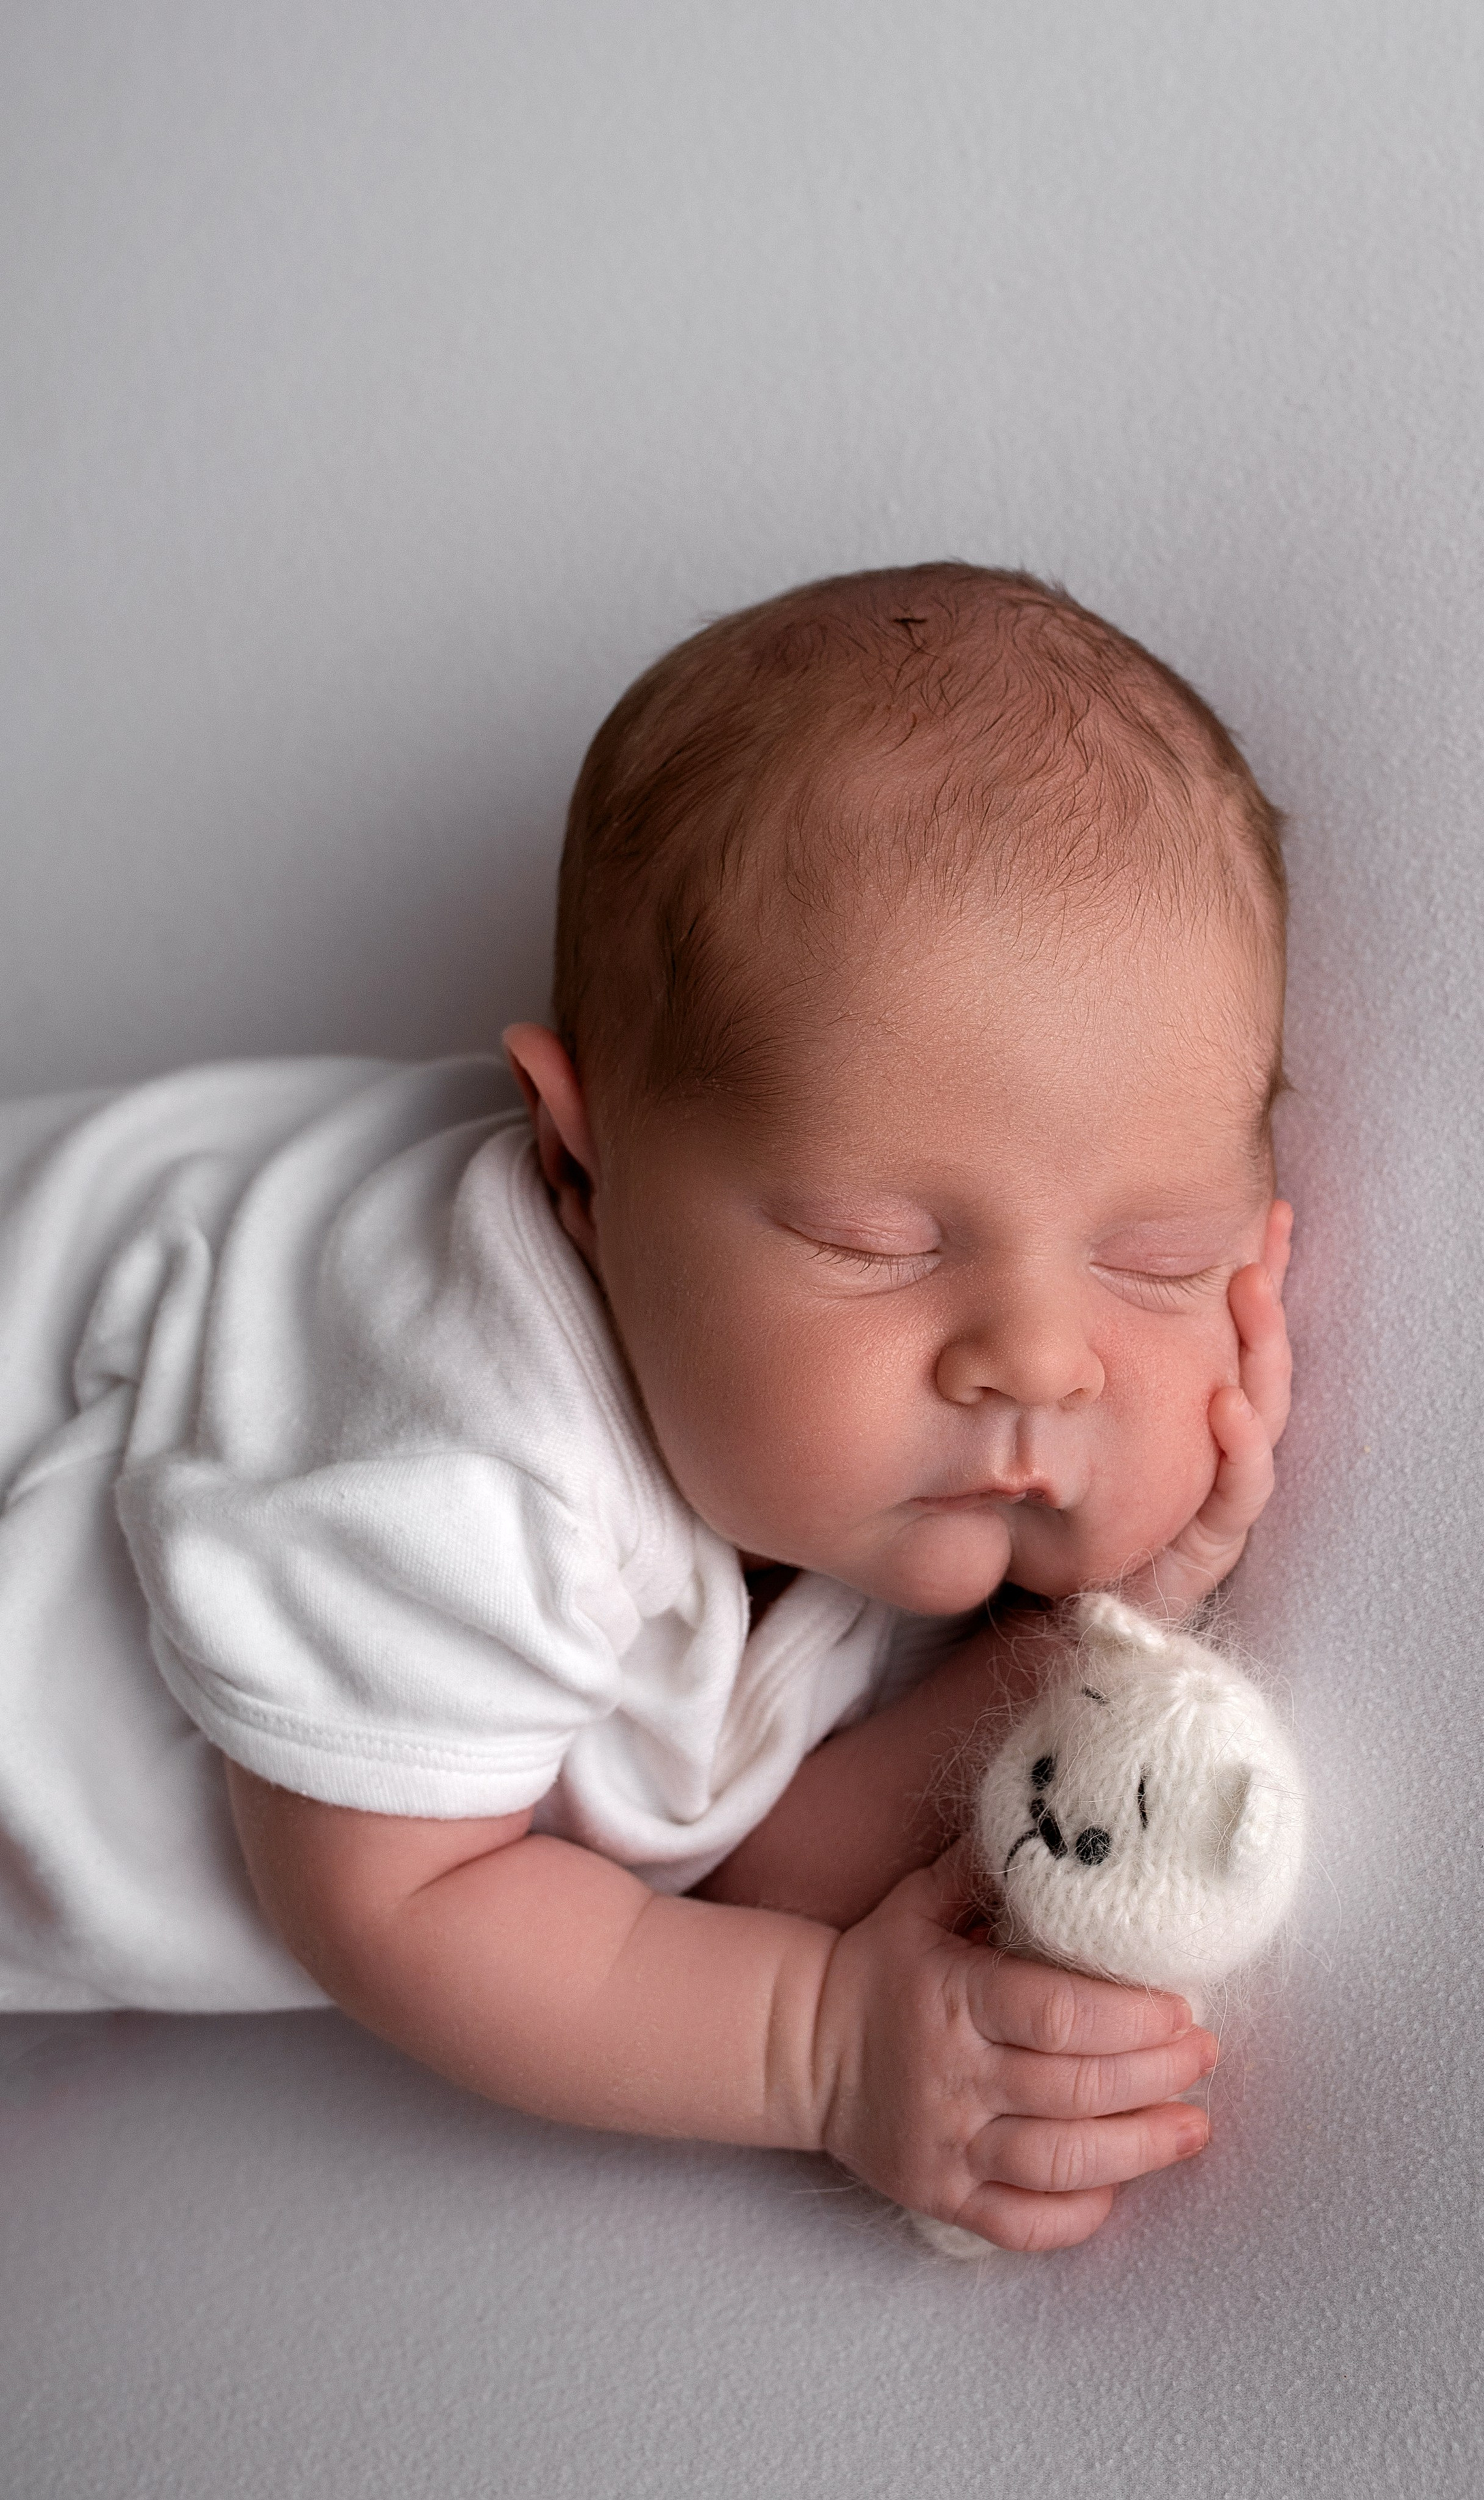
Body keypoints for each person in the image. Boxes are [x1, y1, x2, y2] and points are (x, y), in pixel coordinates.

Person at [0, 564, 1292, 2252]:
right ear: (580, 1166)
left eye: (1155, 1256)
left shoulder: (832, 1454)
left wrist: (1112, 1632)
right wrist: (818, 2046)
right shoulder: (469, 1438)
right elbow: (401, 1898)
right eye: (874, 1240)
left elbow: (737, 1863)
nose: (1037, 1360)